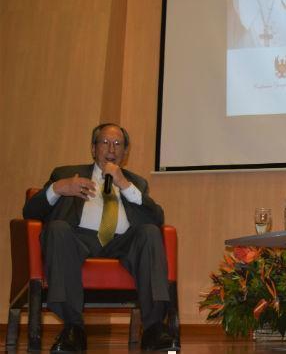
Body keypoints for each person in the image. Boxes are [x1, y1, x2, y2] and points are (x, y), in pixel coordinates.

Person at [23, 123, 176, 352]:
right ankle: (73, 329)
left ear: (125, 153)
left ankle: (154, 330)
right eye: (105, 142)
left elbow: (157, 218)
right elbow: (30, 212)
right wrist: (59, 188)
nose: (111, 149)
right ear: (93, 149)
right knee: (56, 228)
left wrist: (124, 185)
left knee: (150, 232)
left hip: (122, 243)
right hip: (77, 240)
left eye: (118, 144)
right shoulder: (65, 174)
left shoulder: (136, 182)